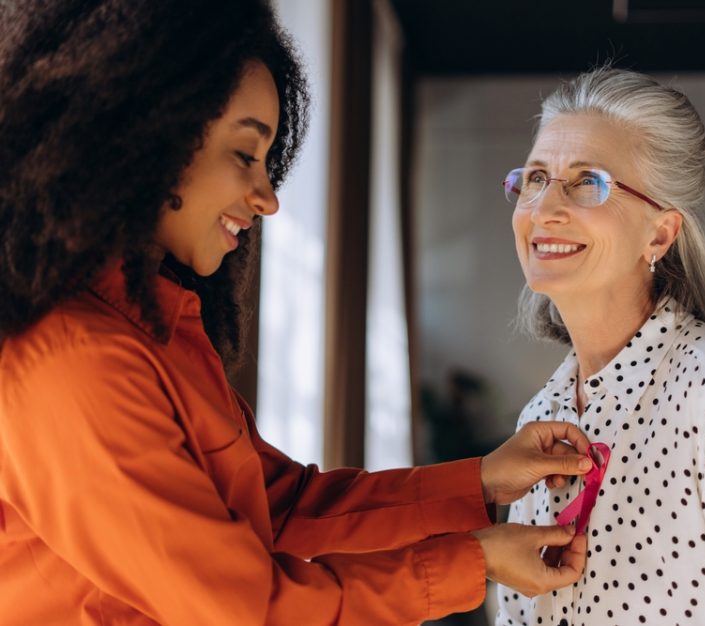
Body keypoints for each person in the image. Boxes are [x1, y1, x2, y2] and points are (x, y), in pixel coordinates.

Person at [0, 2, 593, 624]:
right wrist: (473, 561)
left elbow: (283, 504)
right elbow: (247, 609)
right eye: (244, 155)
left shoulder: (155, 330)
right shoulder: (74, 361)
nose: (268, 198)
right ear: (148, 134)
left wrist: (481, 482)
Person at [496, 67, 705, 626]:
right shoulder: (539, 418)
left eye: (587, 182)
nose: (544, 209)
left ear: (659, 234)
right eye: (535, 178)